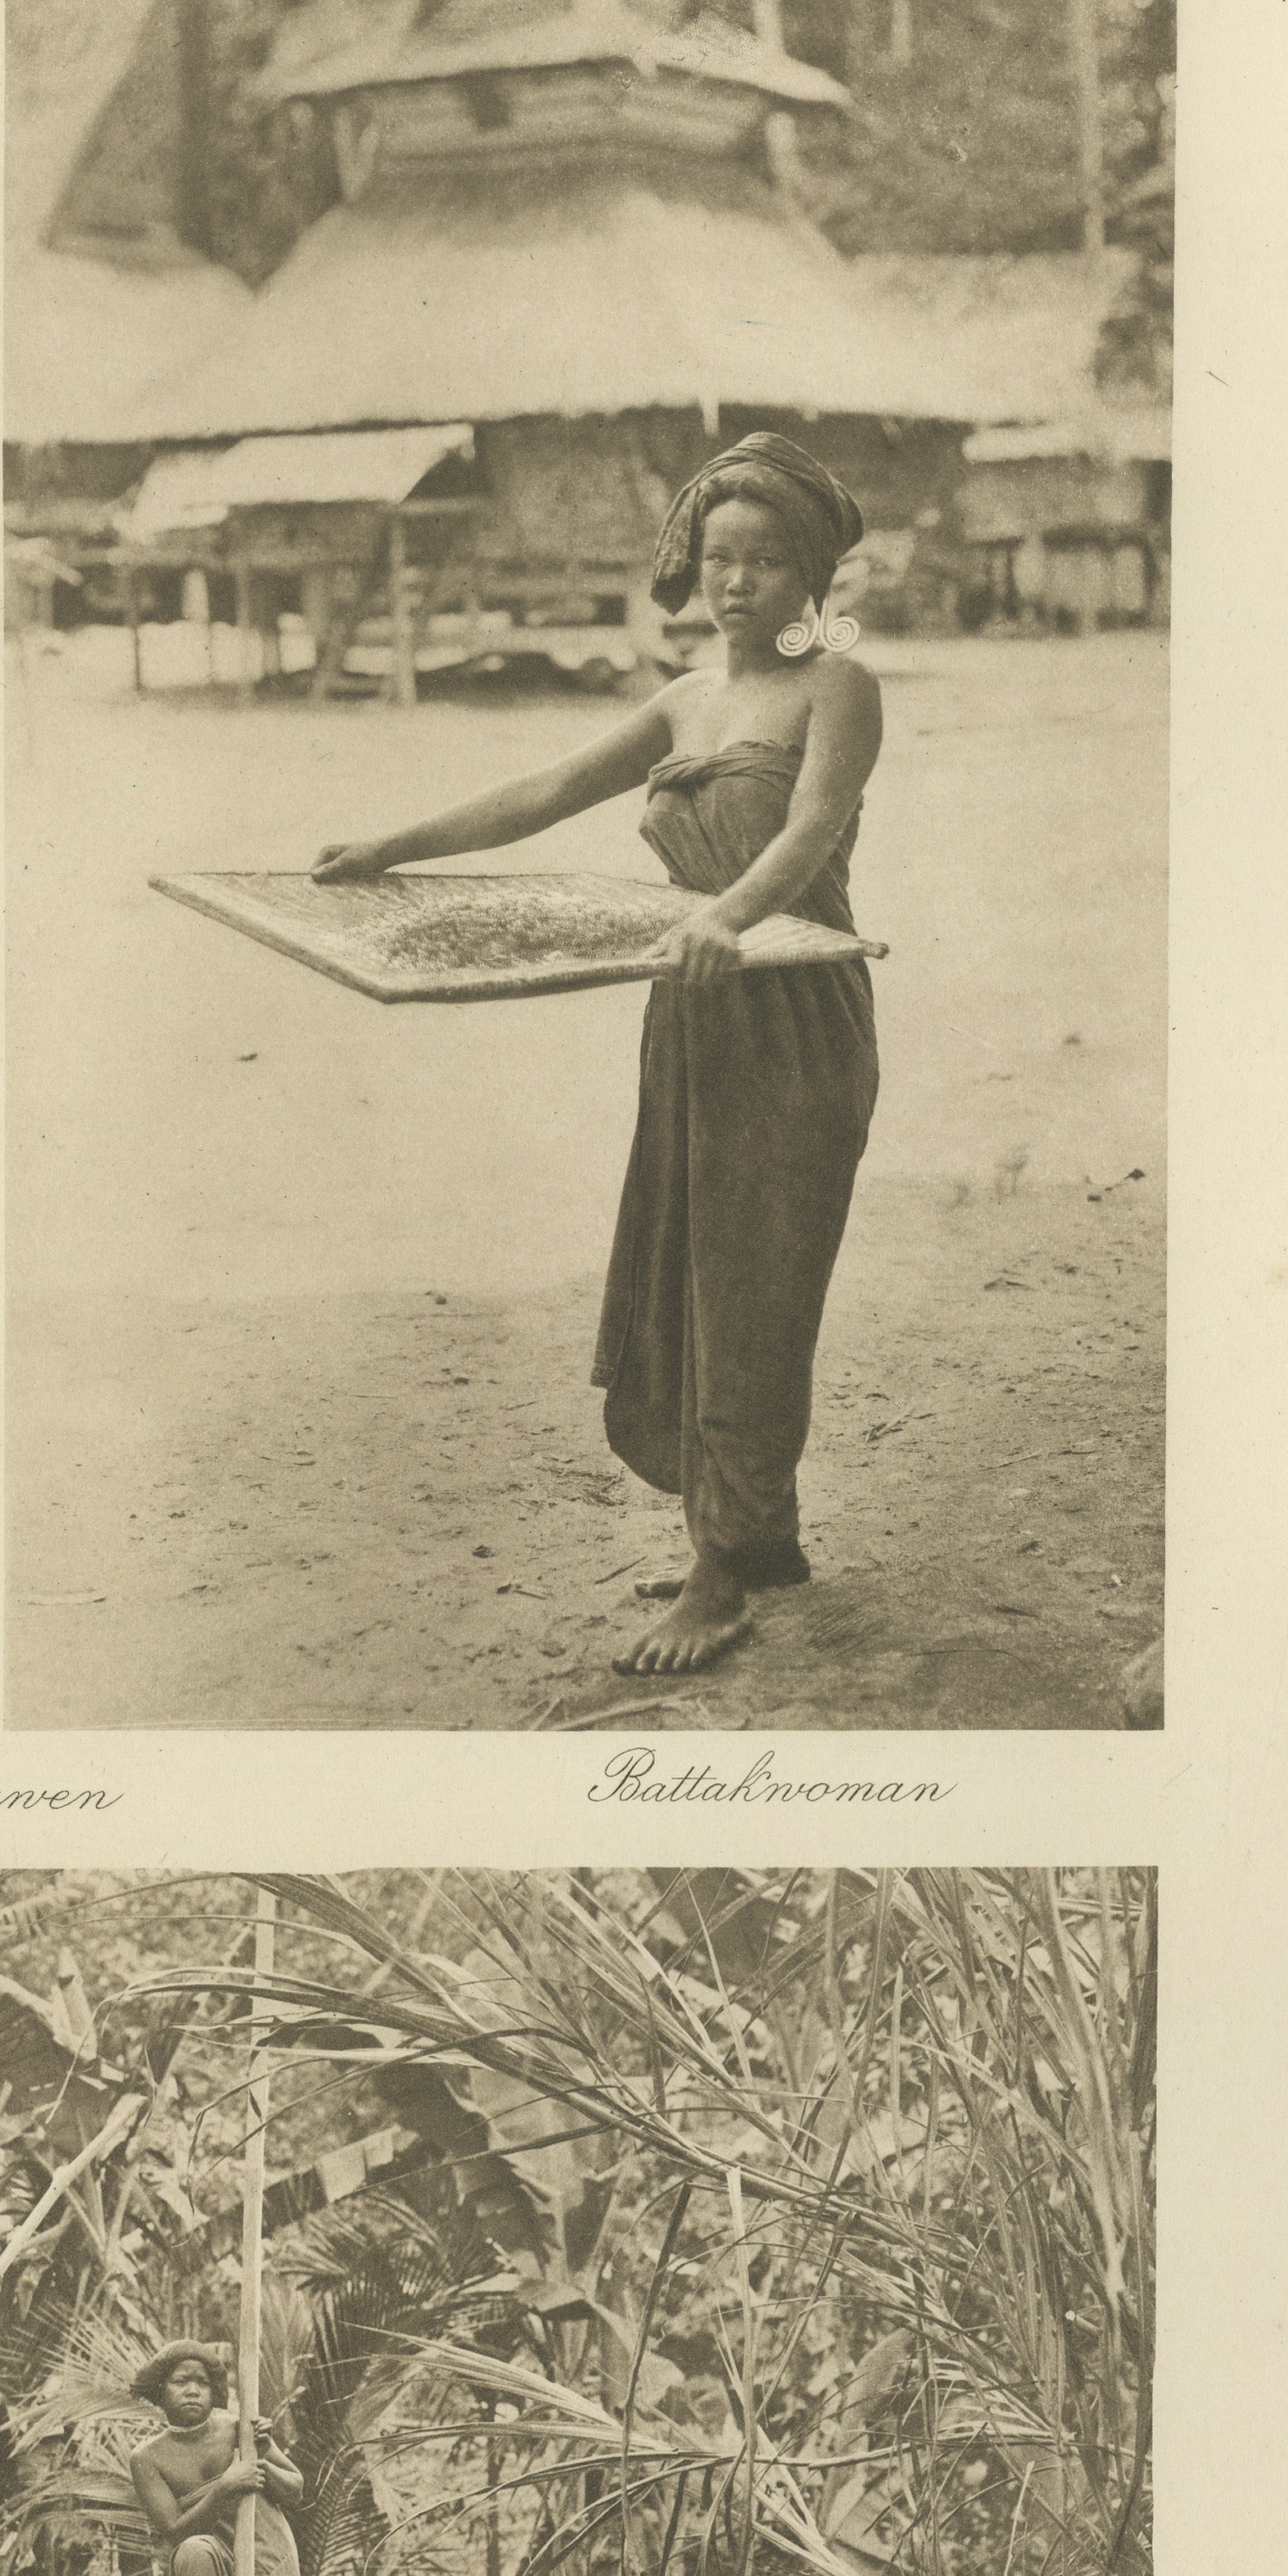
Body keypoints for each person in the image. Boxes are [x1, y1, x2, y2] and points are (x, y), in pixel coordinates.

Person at [314, 429, 885, 1682]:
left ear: (813, 578)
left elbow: (809, 832)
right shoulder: (685, 697)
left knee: (754, 1282)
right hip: (692, 1009)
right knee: (690, 1267)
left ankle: (720, 1572)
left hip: (794, 1011)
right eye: (720, 557)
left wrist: (725, 917)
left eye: (768, 560)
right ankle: (756, 1532)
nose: (738, 583)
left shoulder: (838, 683)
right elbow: (543, 791)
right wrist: (390, 848)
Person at [123, 2343, 310, 2576]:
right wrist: (225, 2488)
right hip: (213, 2558)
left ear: (214, 2392)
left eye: (203, 2383)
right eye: (181, 2381)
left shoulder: (238, 2429)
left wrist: (261, 2463)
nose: (193, 2390)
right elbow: (174, 2531)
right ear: (161, 2391)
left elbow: (297, 2489)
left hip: (266, 2551)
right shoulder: (147, 2457)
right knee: (194, 2551)